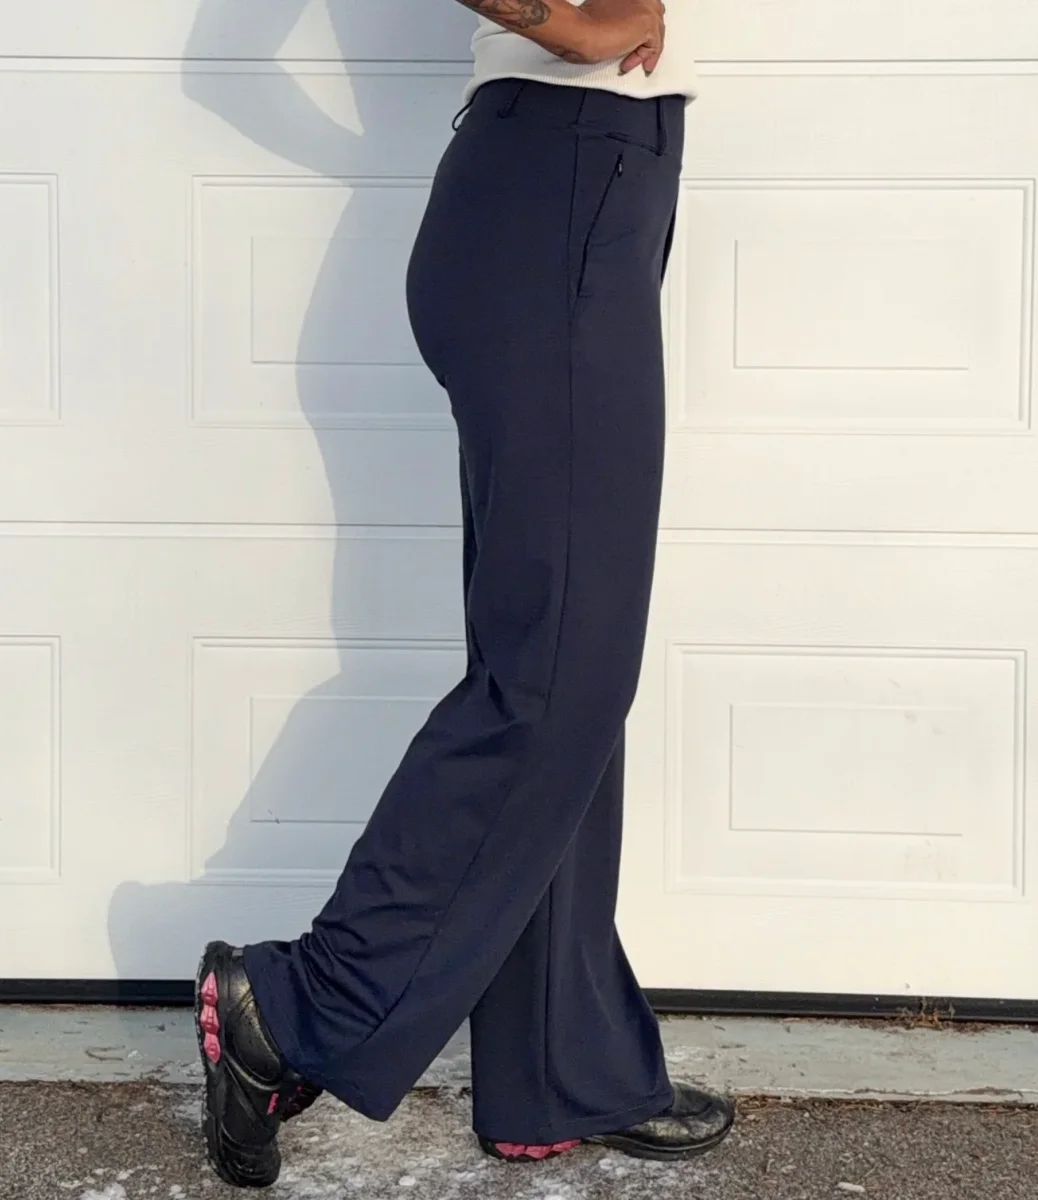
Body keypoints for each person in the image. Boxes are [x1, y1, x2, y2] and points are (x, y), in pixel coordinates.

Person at [193, 0, 734, 1187]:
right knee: (556, 672)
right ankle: (295, 1006)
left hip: (584, 188)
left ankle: (557, 1068)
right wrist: (572, 25)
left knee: (569, 668)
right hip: (558, 180)